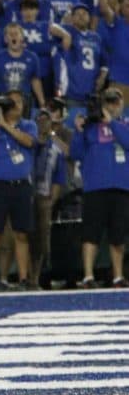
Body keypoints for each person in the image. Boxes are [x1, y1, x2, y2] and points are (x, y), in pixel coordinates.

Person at [0, 95, 37, 291]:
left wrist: (4, 124)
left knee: (22, 234)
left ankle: (22, 278)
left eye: (19, 102)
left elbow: (28, 142)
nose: (16, 106)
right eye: (12, 103)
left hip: (21, 186)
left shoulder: (28, 125)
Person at [70, 88, 129, 288]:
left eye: (116, 102)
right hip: (95, 187)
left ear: (121, 104)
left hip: (120, 186)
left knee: (118, 235)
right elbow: (76, 153)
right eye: (109, 102)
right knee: (91, 234)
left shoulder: (125, 124)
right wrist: (78, 131)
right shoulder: (90, 127)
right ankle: (88, 276)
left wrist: (111, 122)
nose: (113, 106)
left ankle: (118, 276)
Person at [30, 107, 67, 289]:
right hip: (26, 196)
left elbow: (59, 178)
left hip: (44, 196)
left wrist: (51, 201)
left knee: (42, 239)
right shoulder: (28, 143)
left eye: (46, 120)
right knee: (23, 236)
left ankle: (37, 277)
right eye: (40, 120)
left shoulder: (56, 150)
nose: (43, 123)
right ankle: (22, 276)